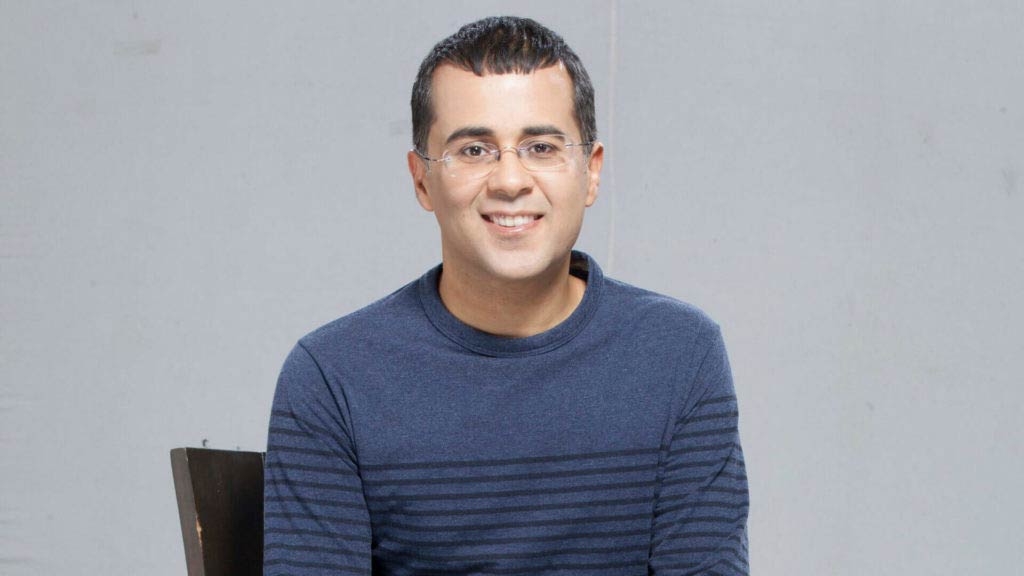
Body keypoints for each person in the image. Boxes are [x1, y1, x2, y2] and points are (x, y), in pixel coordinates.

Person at [264, 16, 749, 575]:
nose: (510, 181)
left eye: (541, 146)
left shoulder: (679, 354)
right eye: (474, 150)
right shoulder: (332, 375)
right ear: (422, 179)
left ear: (590, 173)